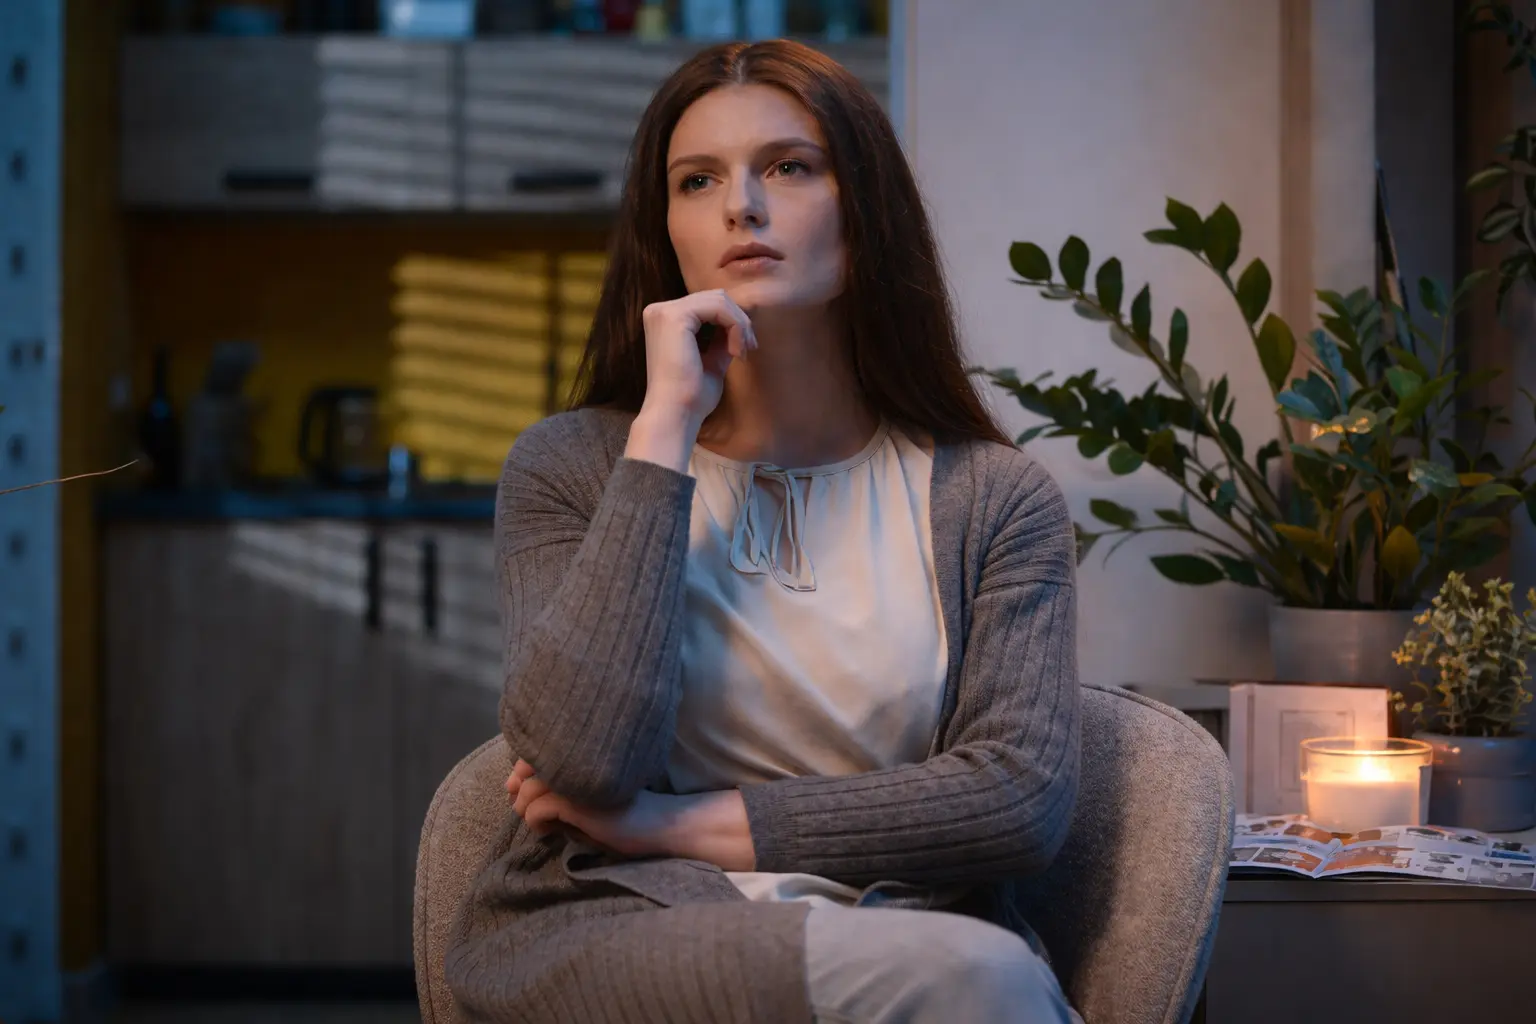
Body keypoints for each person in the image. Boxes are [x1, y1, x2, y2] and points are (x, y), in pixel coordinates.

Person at [444, 38, 1081, 1024]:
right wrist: (663, 432)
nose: (741, 204)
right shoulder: (569, 466)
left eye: (788, 166)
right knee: (977, 983)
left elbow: (1016, 801)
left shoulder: (996, 499)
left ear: (865, 211)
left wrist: (666, 824)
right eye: (698, 180)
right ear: (665, 232)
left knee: (968, 973)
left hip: (900, 931)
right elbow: (578, 758)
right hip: (620, 930)